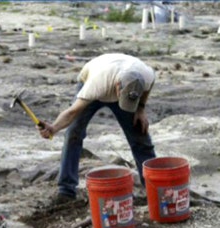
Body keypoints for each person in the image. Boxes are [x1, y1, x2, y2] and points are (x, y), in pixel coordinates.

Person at [38, 53, 157, 204]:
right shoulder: (96, 85)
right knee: (74, 133)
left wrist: (140, 108)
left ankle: (154, 189)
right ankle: (66, 191)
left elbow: (149, 85)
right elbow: (72, 112)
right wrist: (53, 128)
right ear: (117, 87)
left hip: (122, 77)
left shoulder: (145, 76)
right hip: (95, 78)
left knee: (139, 134)